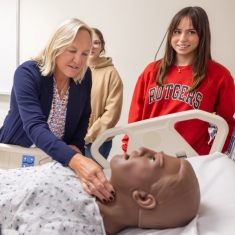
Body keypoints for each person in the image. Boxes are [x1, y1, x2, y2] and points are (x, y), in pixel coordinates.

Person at [0, 18, 114, 203]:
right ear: (56, 46)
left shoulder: (84, 76)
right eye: (72, 51)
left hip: (57, 157)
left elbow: (84, 116)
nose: (78, 60)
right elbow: (35, 126)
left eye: (85, 53)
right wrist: (76, 159)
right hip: (17, 153)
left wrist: (75, 146)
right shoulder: (27, 74)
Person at [0, 147, 200, 235]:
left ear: (143, 198)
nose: (143, 149)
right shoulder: (87, 176)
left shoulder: (75, 227)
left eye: (153, 159)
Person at [122, 6, 235, 155]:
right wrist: (128, 149)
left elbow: (227, 122)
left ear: (202, 35)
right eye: (177, 32)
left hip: (192, 161)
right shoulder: (151, 71)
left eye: (191, 32)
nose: (182, 39)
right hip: (149, 157)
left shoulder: (219, 75)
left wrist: (213, 154)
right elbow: (135, 118)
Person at [84, 28, 123, 160]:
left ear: (102, 46)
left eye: (95, 42)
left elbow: (112, 113)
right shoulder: (74, 70)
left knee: (93, 179)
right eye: (87, 42)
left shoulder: (111, 73)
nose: (91, 47)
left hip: (99, 140)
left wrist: (89, 136)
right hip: (73, 139)